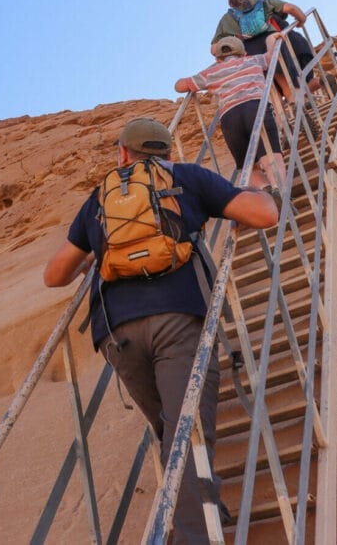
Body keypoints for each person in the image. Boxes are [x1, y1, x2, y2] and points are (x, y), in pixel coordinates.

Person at [43, 117, 279, 544]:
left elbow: (54, 275)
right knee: (186, 435)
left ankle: (204, 510)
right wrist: (263, 191)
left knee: (171, 431)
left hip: (116, 333)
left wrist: (94, 258)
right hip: (178, 318)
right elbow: (263, 216)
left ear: (122, 155)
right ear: (169, 152)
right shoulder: (186, 177)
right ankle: (196, 533)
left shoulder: (100, 197)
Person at [175, 36, 287, 200]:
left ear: (217, 58)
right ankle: (279, 190)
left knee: (248, 167)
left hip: (230, 117)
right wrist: (271, 39)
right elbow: (271, 57)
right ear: (243, 53)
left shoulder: (211, 73)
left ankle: (266, 189)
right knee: (272, 157)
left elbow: (180, 86)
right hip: (257, 108)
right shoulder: (252, 60)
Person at [213, 0, 318, 102]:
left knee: (271, 96)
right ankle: (301, 108)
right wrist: (301, 20)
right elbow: (291, 8)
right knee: (289, 87)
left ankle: (280, 119)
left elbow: (214, 48)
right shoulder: (263, 2)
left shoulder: (228, 18)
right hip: (272, 45)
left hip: (251, 55)